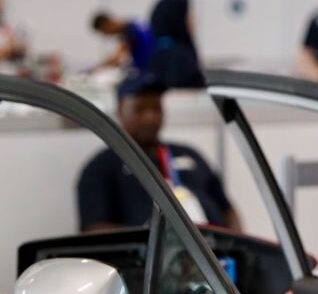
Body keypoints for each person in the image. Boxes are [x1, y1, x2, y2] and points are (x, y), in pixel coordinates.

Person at [75, 82, 238, 232]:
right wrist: (155, 241)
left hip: (215, 254)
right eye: (139, 110)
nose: (150, 118)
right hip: (150, 257)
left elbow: (227, 210)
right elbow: (94, 229)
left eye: (156, 109)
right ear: (120, 110)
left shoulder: (189, 154)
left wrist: (236, 243)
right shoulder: (102, 166)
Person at [139, 0, 206, 89]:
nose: (193, 21)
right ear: (176, 19)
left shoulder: (157, 53)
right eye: (187, 17)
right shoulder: (180, 58)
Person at [90, 11, 155, 74]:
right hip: (151, 66)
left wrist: (96, 68)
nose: (106, 35)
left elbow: (117, 57)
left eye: (104, 31)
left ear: (107, 23)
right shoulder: (134, 24)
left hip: (149, 70)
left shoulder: (128, 29)